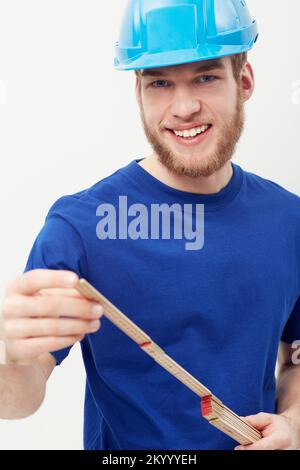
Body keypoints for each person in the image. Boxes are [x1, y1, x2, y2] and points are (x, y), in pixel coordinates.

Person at [1, 0, 300, 451]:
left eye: (205, 76)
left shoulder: (289, 220)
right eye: (159, 82)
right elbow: (18, 400)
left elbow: (295, 358)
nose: (183, 107)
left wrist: (294, 421)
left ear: (244, 81)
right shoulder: (82, 227)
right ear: (137, 93)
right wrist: (11, 356)